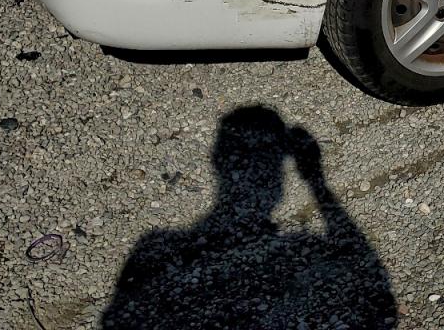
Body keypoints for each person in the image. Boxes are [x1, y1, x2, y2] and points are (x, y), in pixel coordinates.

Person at [103, 106, 395, 329]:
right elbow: (375, 289)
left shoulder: (152, 249)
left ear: (216, 163)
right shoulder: (154, 250)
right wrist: (317, 182)